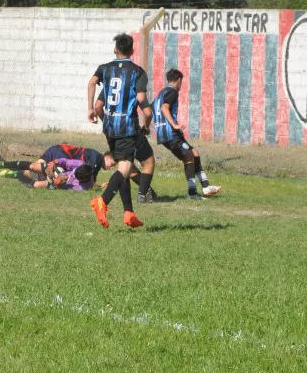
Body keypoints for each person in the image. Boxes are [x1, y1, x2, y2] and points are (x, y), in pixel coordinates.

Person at [87, 33, 155, 228]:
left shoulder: (105, 70)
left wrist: (91, 109)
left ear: (115, 49)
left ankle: (128, 213)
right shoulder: (137, 72)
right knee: (125, 168)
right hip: (127, 128)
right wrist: (147, 123)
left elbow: (93, 87)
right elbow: (142, 101)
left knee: (122, 168)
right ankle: (103, 201)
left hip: (110, 127)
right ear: (132, 51)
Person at [152, 68, 221, 199]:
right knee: (189, 157)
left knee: (194, 153)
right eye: (181, 83)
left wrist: (145, 126)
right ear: (179, 80)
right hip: (171, 133)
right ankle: (193, 193)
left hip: (163, 135)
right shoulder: (172, 92)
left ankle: (206, 186)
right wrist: (174, 124)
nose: (181, 86)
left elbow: (149, 111)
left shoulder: (159, 94)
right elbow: (164, 108)